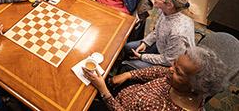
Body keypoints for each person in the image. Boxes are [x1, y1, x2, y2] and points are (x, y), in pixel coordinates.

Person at [83, 46, 228, 111]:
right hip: (124, 94)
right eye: (174, 64)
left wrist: (104, 92)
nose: (170, 69)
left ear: (195, 86)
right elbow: (158, 71)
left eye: (178, 71)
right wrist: (129, 74)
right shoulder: (181, 85)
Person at [123, 0, 195, 69]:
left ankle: (127, 67)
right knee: (128, 47)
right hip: (162, 46)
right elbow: (158, 30)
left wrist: (142, 57)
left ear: (169, 5)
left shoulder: (178, 33)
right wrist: (146, 43)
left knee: (129, 67)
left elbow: (168, 60)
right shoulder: (165, 10)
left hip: (170, 63)